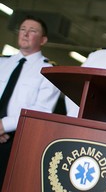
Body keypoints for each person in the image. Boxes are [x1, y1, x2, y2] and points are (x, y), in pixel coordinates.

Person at [0, 15, 60, 188]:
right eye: (23, 29)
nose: (25, 34)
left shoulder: (48, 70)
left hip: (15, 141)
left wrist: (3, 126)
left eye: (32, 31)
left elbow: (41, 110)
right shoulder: (2, 62)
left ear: (43, 40)